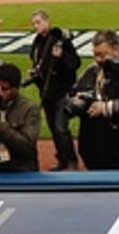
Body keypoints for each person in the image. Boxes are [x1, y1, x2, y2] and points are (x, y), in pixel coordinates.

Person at [65, 30, 119, 170]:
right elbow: (73, 94)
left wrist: (108, 107)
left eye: (103, 54)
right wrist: (77, 100)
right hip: (97, 153)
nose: (99, 59)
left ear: (116, 49)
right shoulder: (92, 70)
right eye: (96, 54)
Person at [27, 9, 81, 171]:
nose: (36, 26)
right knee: (54, 129)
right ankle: (62, 159)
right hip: (47, 92)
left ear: (47, 21)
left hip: (62, 91)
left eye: (38, 22)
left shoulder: (60, 40)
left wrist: (62, 56)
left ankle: (72, 160)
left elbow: (75, 63)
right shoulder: (37, 43)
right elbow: (38, 63)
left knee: (60, 127)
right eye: (34, 23)